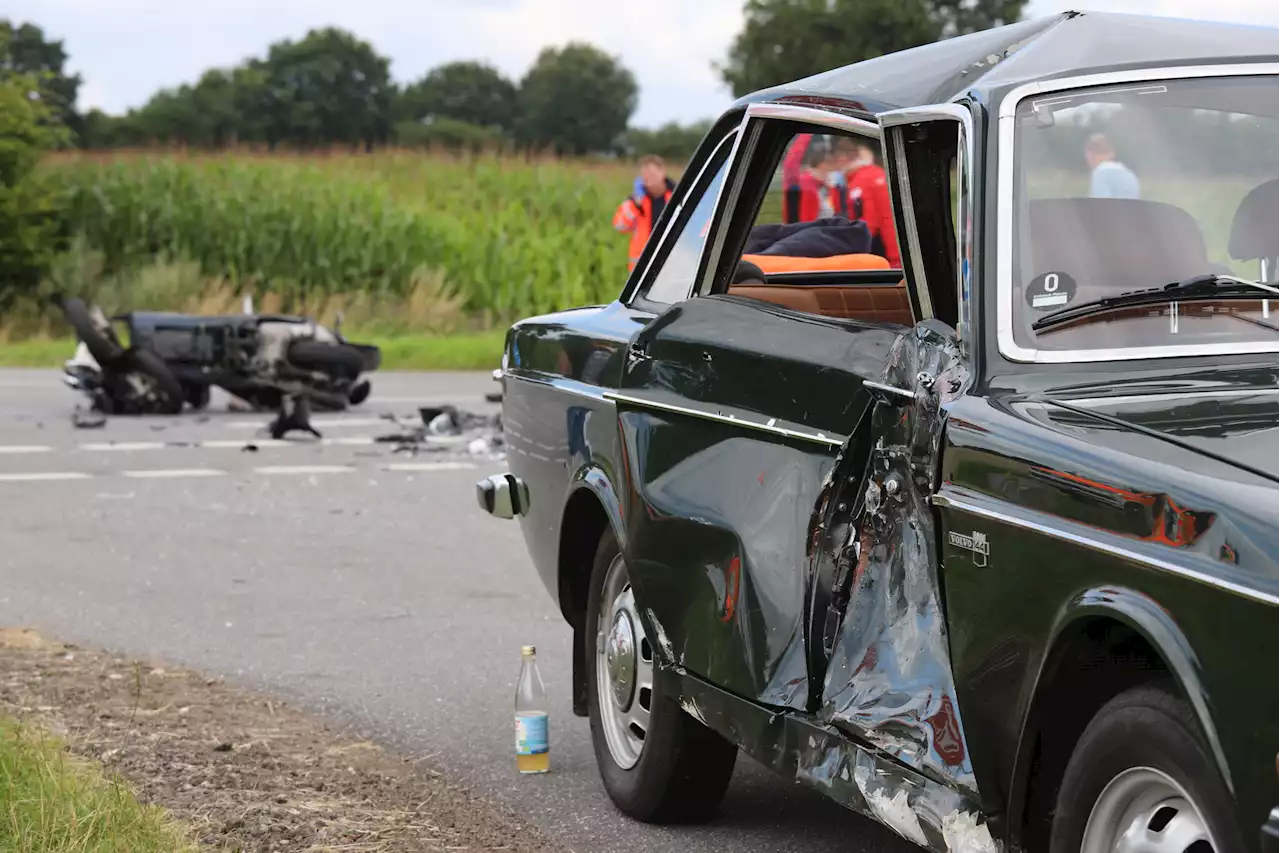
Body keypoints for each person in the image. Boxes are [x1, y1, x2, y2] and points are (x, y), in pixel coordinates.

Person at [613, 154, 676, 271]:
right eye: (645, 176)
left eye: (652, 174)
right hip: (642, 268)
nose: (649, 179)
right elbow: (620, 226)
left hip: (671, 262)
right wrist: (636, 204)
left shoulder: (677, 197)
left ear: (662, 172)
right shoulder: (635, 201)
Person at [846, 141, 901, 268]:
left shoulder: (861, 180)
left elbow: (867, 223)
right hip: (896, 245)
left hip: (883, 250)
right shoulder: (880, 174)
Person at [1085, 133, 1141, 199]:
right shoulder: (1130, 174)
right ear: (1112, 153)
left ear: (1090, 154)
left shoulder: (1100, 173)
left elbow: (1101, 205)